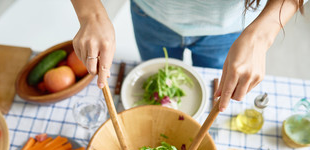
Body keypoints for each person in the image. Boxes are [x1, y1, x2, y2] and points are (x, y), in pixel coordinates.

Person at [70, 0, 304, 112]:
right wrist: (91, 14)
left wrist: (261, 37)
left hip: (228, 29)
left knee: (215, 96)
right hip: (150, 15)